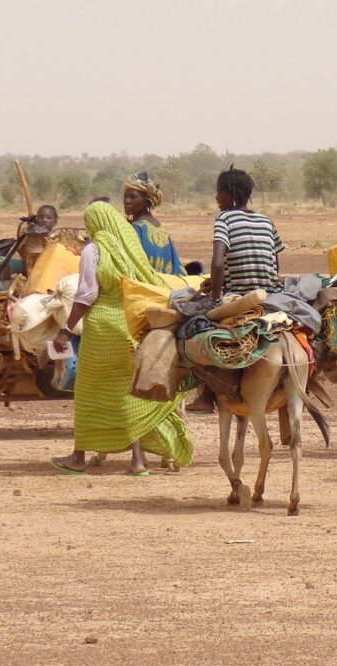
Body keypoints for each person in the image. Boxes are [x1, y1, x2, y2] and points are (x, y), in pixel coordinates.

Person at [49, 200, 192, 476]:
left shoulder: (93, 250)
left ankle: (78, 456)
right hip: (128, 325)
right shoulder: (127, 247)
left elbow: (87, 295)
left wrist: (66, 329)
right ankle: (137, 461)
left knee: (88, 392)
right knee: (128, 392)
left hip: (101, 330)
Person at [209, 167, 285, 299]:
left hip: (238, 294)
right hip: (270, 294)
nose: (216, 198)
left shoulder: (224, 218)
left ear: (230, 194)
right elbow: (274, 268)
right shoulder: (267, 221)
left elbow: (217, 263)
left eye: (219, 192)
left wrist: (215, 299)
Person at [123, 171, 183, 275]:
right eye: (125, 196)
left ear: (147, 201)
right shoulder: (158, 225)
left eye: (133, 197)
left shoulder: (136, 228)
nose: (127, 201)